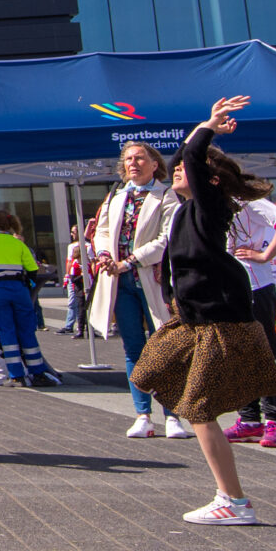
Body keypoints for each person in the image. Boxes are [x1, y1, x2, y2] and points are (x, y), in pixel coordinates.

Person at [131, 96, 276, 525]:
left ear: (209, 181)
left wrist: (209, 126)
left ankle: (233, 502)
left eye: (185, 170)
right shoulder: (182, 210)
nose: (177, 169)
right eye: (176, 168)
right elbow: (184, 156)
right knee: (146, 373)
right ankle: (211, 403)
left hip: (222, 322)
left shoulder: (208, 206)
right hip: (191, 321)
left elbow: (193, 155)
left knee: (198, 411)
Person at [89, 142, 188, 439]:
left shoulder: (166, 196)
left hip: (151, 278)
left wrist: (130, 260)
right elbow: (102, 231)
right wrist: (105, 254)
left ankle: (172, 415)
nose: (133, 163)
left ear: (154, 164)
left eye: (140, 158)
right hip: (120, 282)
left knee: (165, 348)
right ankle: (142, 414)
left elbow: (166, 239)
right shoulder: (115, 196)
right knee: (133, 348)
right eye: (129, 159)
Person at [222, 199, 276, 449]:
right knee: (236, 355)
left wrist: (264, 255)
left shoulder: (246, 200)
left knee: (264, 352)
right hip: (225, 289)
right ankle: (249, 419)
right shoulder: (203, 201)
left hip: (255, 285)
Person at [0, 210, 62, 386]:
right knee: (27, 331)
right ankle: (37, 372)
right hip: (19, 288)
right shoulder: (17, 244)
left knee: (7, 332)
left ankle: (16, 374)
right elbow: (33, 269)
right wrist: (27, 285)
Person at [58, 233, 89, 335]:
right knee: (77, 306)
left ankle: (88, 328)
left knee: (86, 307)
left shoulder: (85, 263)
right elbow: (73, 277)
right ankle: (77, 328)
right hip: (78, 288)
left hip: (85, 287)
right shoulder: (74, 264)